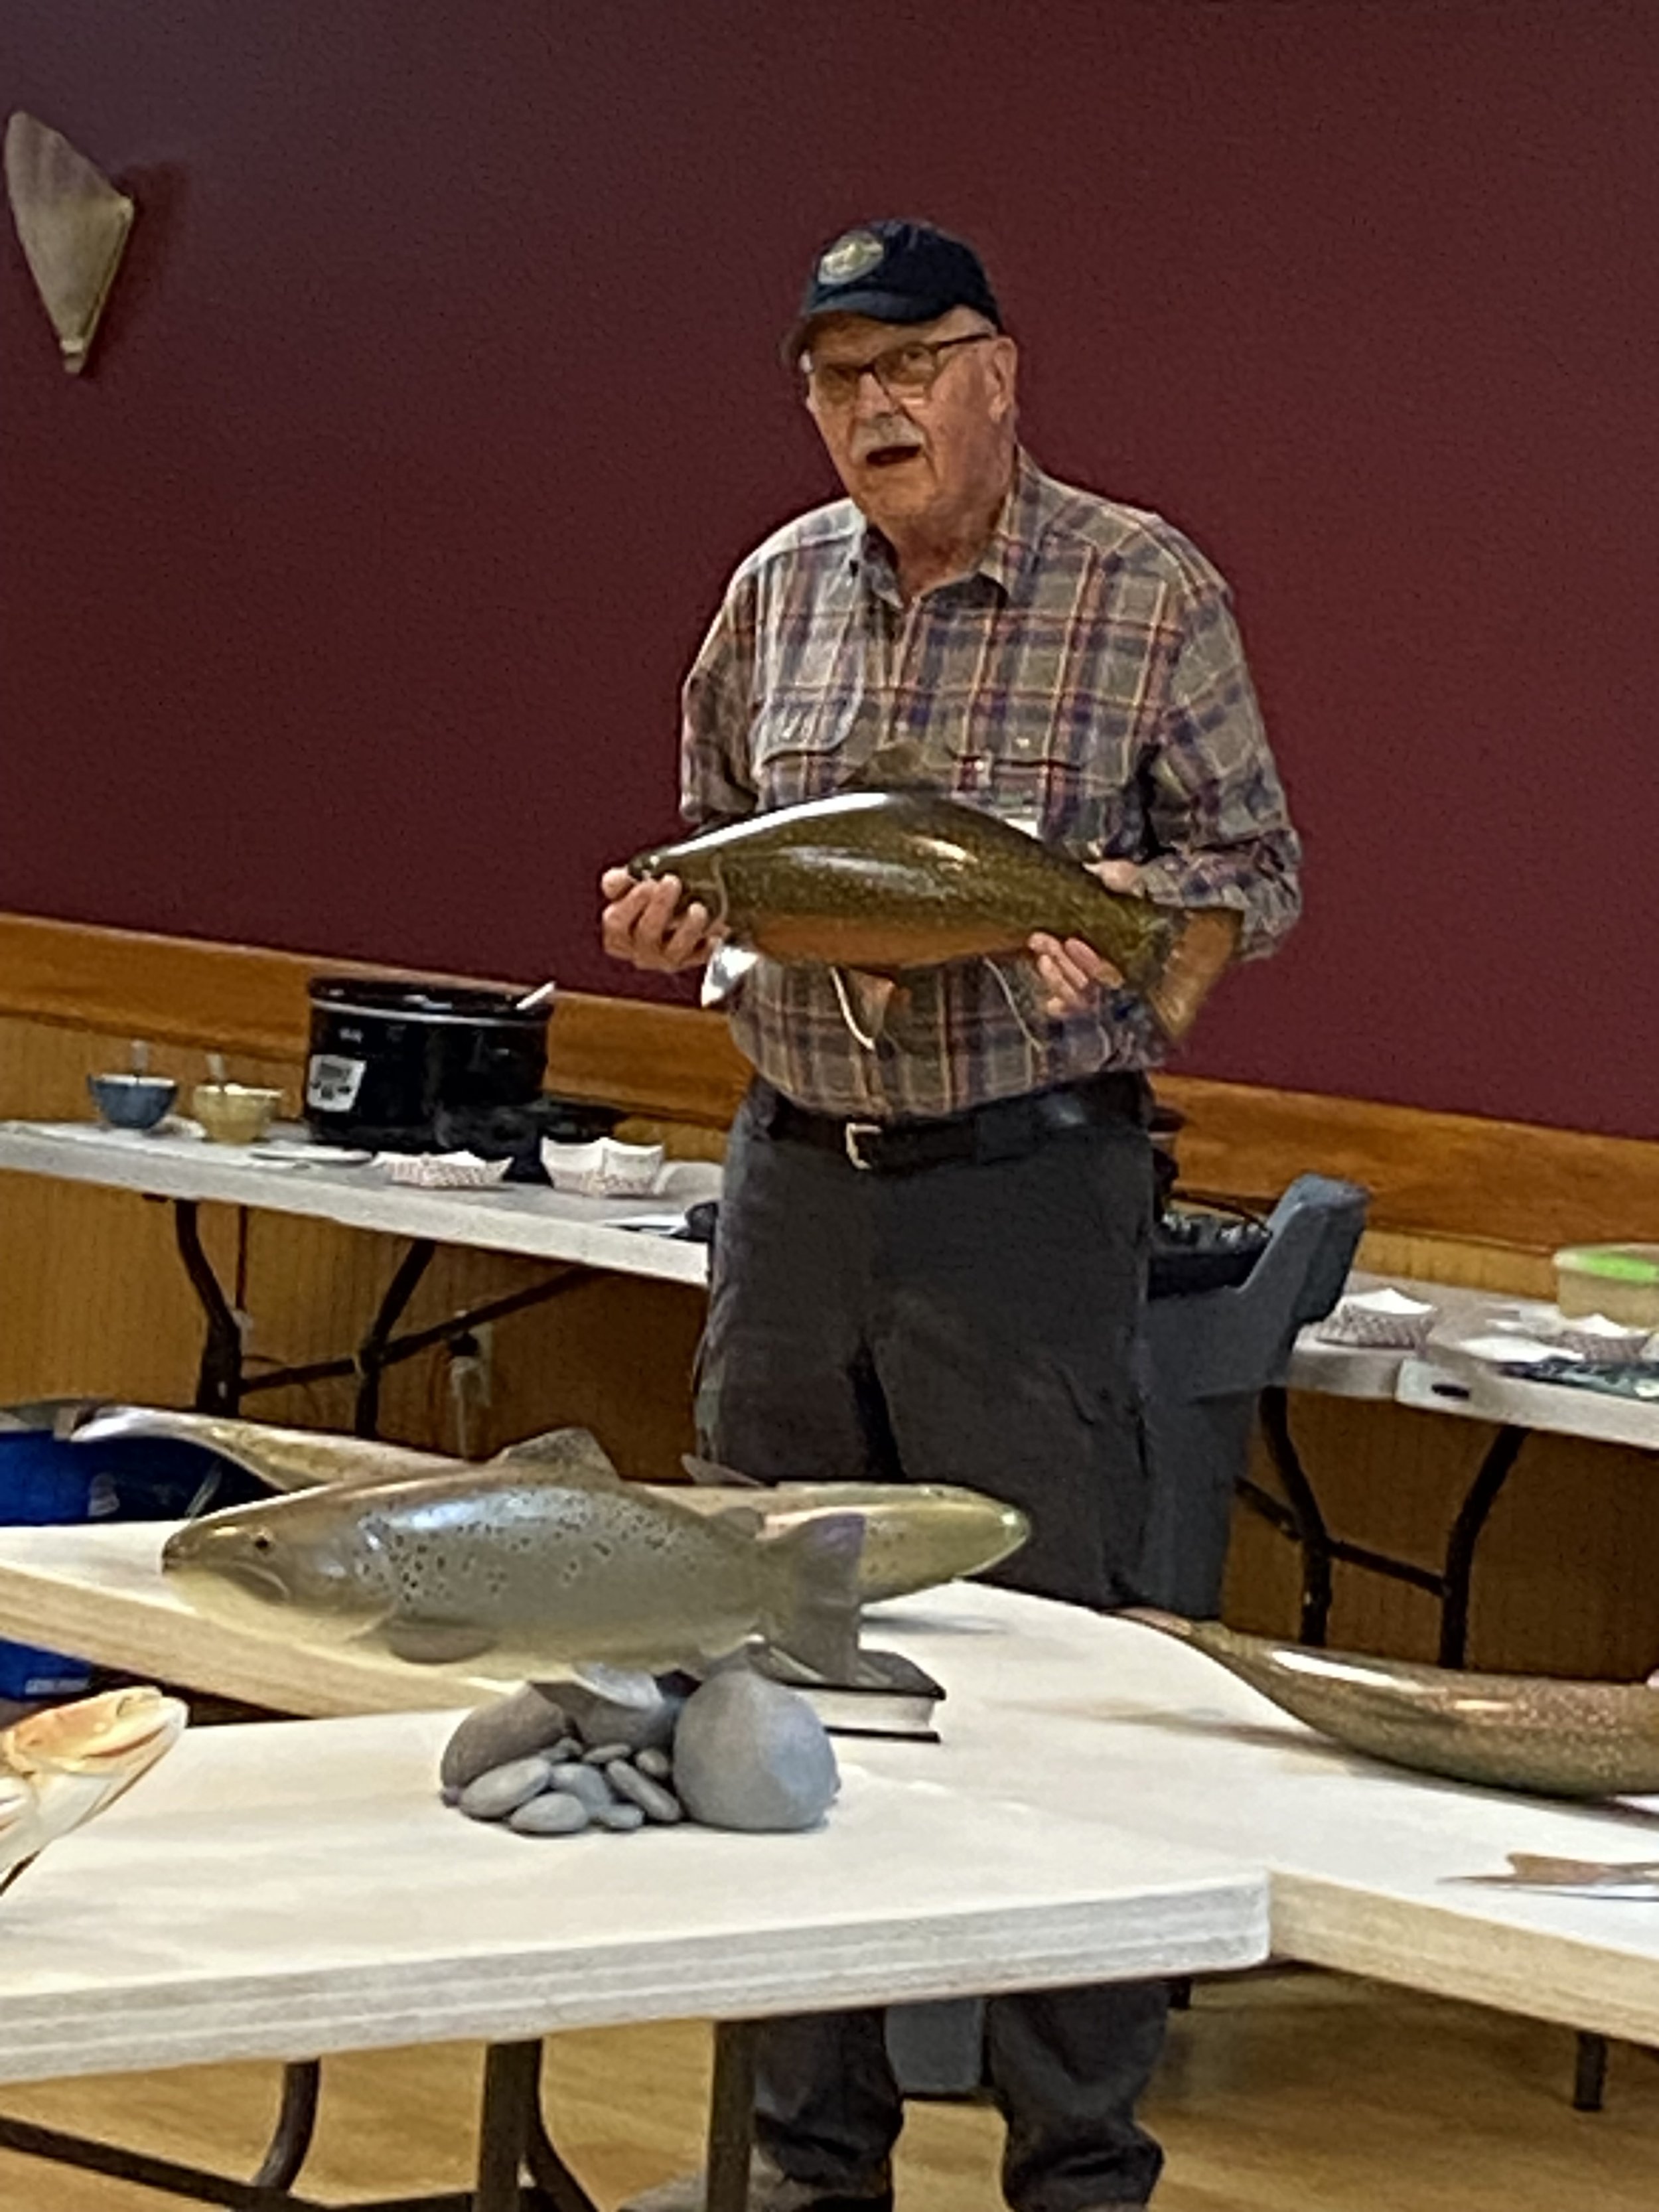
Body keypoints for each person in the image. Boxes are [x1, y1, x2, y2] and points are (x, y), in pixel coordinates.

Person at [599, 219, 1301, 2212]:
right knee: (764, 1657)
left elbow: (1251, 863)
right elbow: (733, 884)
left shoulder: (1140, 587)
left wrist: (1127, 944)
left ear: (998, 371)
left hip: (1024, 1190)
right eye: (834, 380)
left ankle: (1078, 2168)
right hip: (791, 1190)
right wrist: (692, 944)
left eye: (910, 365)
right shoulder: (772, 593)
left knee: (1044, 1673)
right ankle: (806, 2167)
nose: (870, 410)